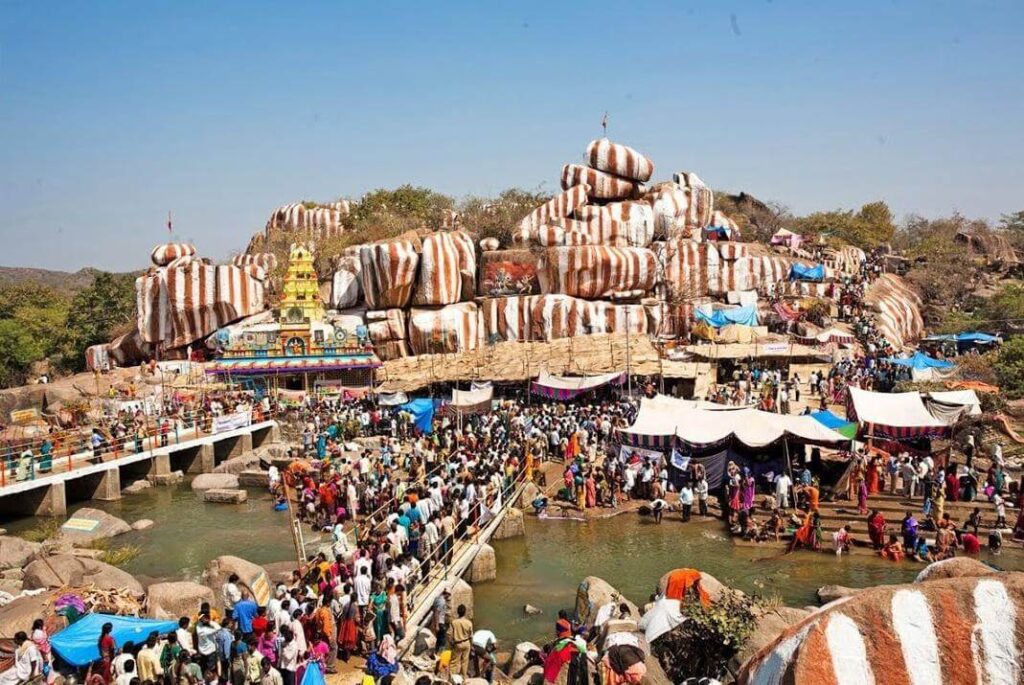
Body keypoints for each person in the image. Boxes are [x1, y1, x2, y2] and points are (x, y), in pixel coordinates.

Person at [450, 604, 473, 680]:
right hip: (466, 643)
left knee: (454, 661)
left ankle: (452, 677)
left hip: (457, 643)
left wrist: (451, 642)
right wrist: (471, 645)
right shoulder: (469, 623)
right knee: (465, 661)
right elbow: (471, 636)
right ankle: (463, 677)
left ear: (457, 612)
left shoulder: (454, 622)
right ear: (465, 612)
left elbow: (449, 634)